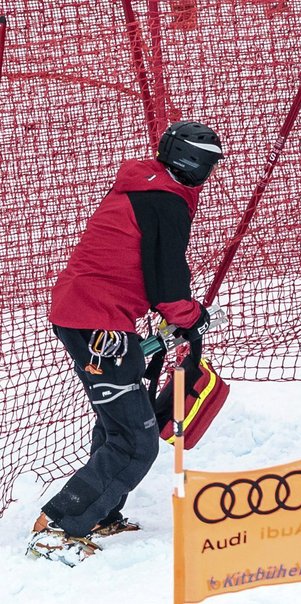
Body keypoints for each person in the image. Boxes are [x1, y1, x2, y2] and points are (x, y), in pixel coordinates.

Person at [28, 121, 223, 566]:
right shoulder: (164, 199)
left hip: (96, 315)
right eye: (206, 163)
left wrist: (181, 317)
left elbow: (151, 270)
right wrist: (189, 317)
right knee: (137, 440)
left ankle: (99, 513)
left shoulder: (150, 185)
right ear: (191, 162)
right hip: (97, 322)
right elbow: (167, 280)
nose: (207, 172)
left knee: (119, 424)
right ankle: (59, 525)